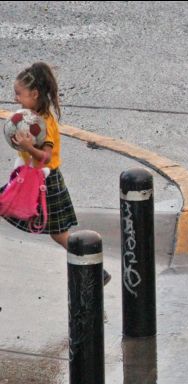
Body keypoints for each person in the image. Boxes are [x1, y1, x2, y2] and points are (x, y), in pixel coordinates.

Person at [2, 62, 110, 285]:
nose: (16, 99)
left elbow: (46, 157)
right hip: (32, 175)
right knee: (58, 234)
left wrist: (27, 146)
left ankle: (96, 270)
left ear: (34, 94)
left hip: (45, 181)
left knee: (59, 234)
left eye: (19, 94)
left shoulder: (43, 123)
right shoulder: (29, 118)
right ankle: (97, 272)